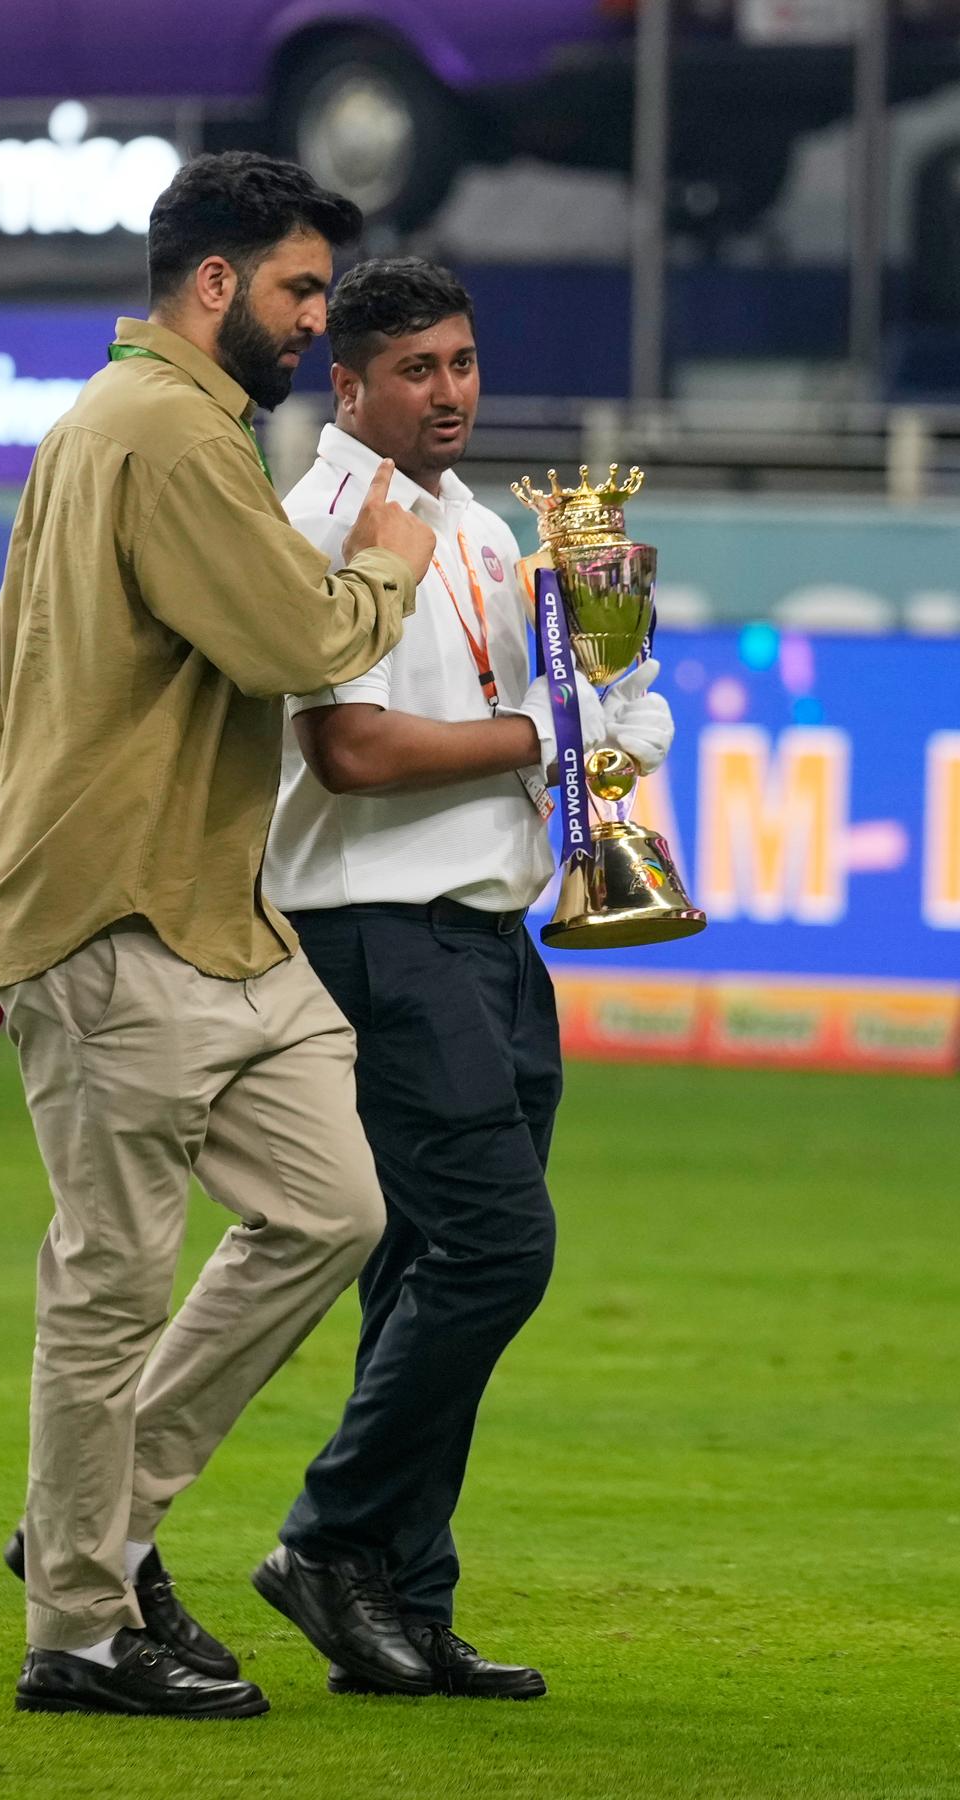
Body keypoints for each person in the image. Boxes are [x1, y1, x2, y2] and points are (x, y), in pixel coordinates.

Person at [0, 159, 436, 1720]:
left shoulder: (112, 425)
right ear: (219, 285)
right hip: (121, 917)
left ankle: (84, 1531)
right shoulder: (167, 433)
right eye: (302, 290)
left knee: (333, 1207)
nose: (319, 321)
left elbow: (2, 674)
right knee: (112, 1283)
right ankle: (80, 1636)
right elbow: (293, 643)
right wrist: (387, 567)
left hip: (202, 914)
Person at [249, 258, 674, 1698]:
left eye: (464, 362)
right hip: (376, 932)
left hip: (488, 936)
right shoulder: (317, 523)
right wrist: (546, 742)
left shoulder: (488, 531)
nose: (450, 392)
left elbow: (535, 710)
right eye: (416, 370)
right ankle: (328, 1540)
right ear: (345, 382)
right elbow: (350, 756)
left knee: (423, 1272)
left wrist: (604, 704)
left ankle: (403, 1607)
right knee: (497, 1251)